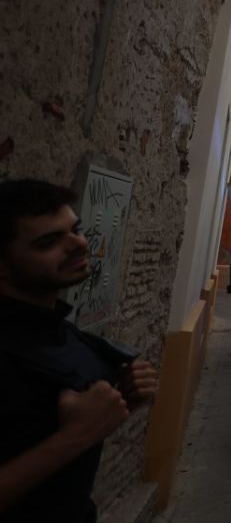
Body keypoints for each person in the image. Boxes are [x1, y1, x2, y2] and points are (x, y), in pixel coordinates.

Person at [0, 179, 159, 523]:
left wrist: (121, 401)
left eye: (76, 229)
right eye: (48, 242)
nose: (78, 244)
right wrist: (75, 436)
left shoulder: (55, 328)